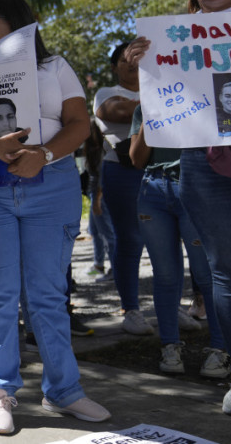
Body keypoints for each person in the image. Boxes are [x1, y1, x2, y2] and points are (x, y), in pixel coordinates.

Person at [0, 0, 110, 435]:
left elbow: (79, 123)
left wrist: (46, 154)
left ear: (17, 24)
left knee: (48, 294)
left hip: (50, 189)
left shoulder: (55, 68)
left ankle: (64, 391)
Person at [126, 0, 231, 416]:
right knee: (227, 272)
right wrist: (140, 68)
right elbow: (154, 104)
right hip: (206, 165)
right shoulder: (170, 40)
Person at [129, 104, 229, 377]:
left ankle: (220, 350)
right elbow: (136, 159)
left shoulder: (200, 95)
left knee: (206, 274)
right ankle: (170, 347)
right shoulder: (145, 105)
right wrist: (148, 118)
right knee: (165, 275)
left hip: (194, 185)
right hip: (153, 190)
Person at [95, 41, 151, 335]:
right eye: (124, 59)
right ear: (114, 66)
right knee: (129, 241)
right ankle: (131, 310)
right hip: (121, 172)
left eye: (138, 58)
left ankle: (173, 306)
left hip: (162, 171)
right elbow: (117, 112)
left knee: (167, 242)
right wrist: (168, 98)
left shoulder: (155, 89)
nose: (132, 63)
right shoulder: (105, 93)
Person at [83, 118, 116, 281]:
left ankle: (116, 269)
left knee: (108, 233)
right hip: (93, 194)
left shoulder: (101, 150)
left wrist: (97, 200)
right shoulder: (91, 149)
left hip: (99, 195)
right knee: (94, 231)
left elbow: (102, 177)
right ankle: (98, 264)